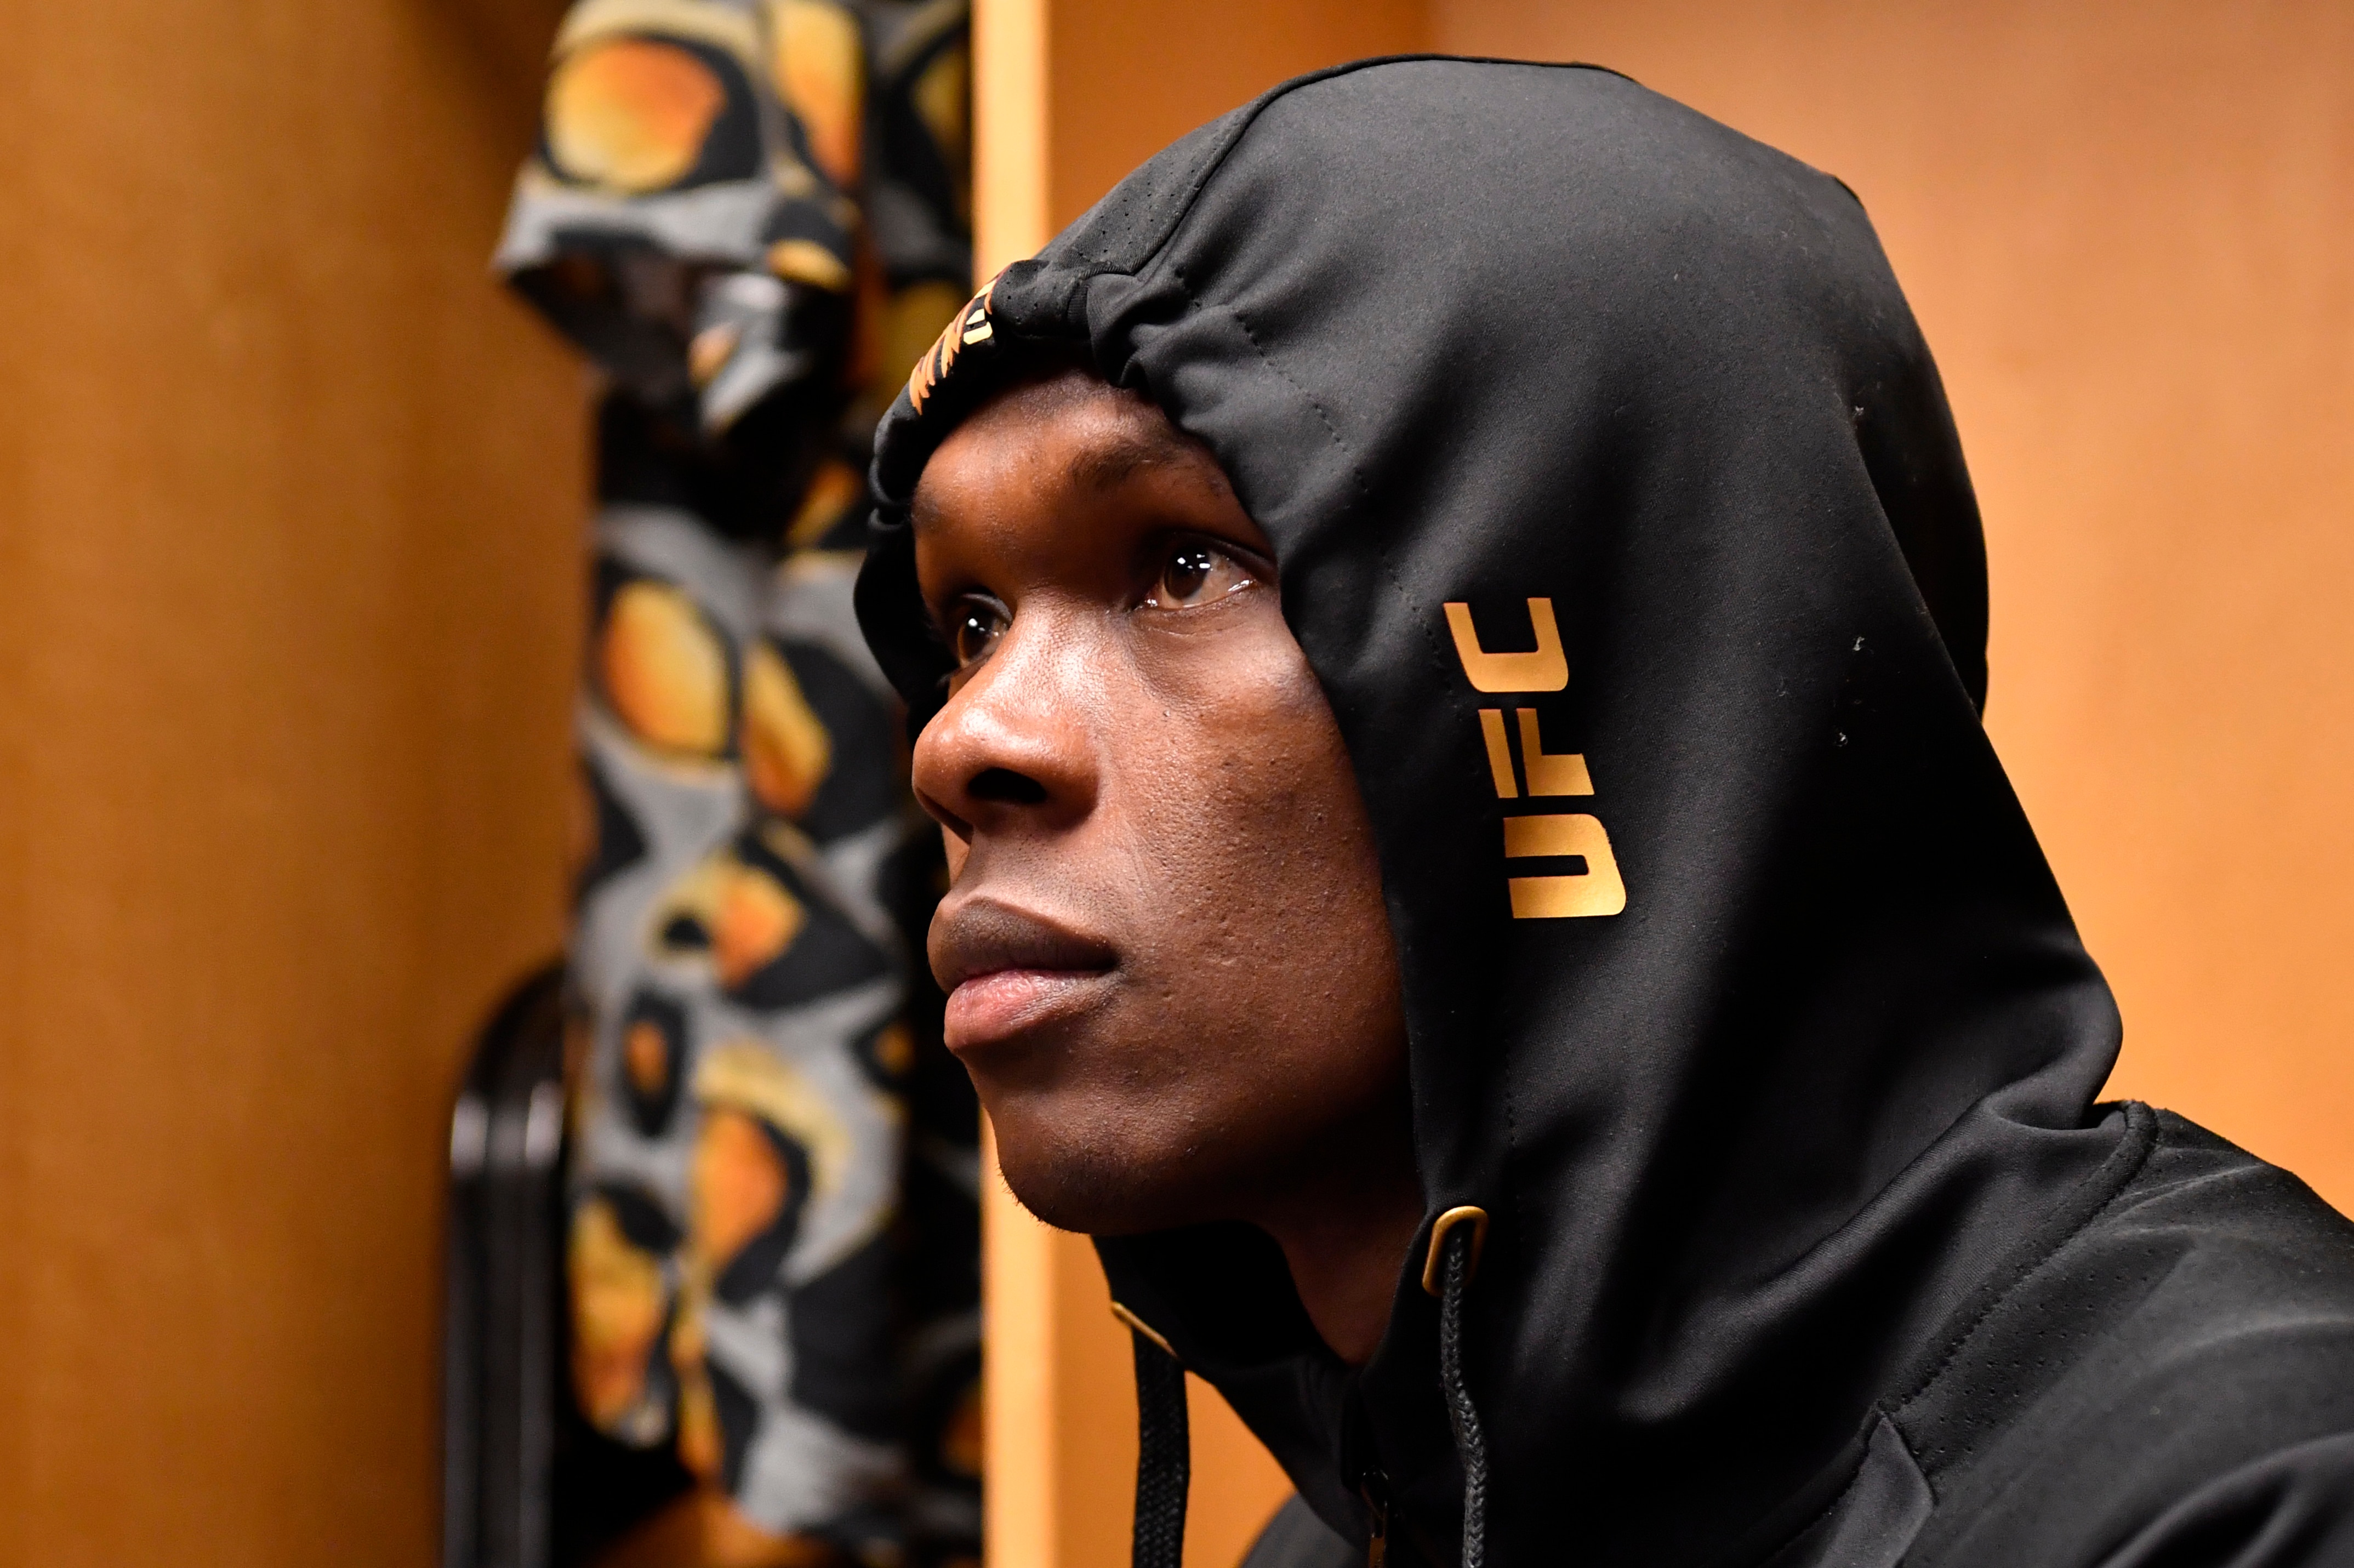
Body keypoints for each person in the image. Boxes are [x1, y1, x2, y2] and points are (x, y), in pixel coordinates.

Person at [849, 57, 2354, 1568]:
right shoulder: (1336, 1543)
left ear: (1624, 659)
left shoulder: (2262, 1496)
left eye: (1184, 565)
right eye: (970, 621)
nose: (962, 738)